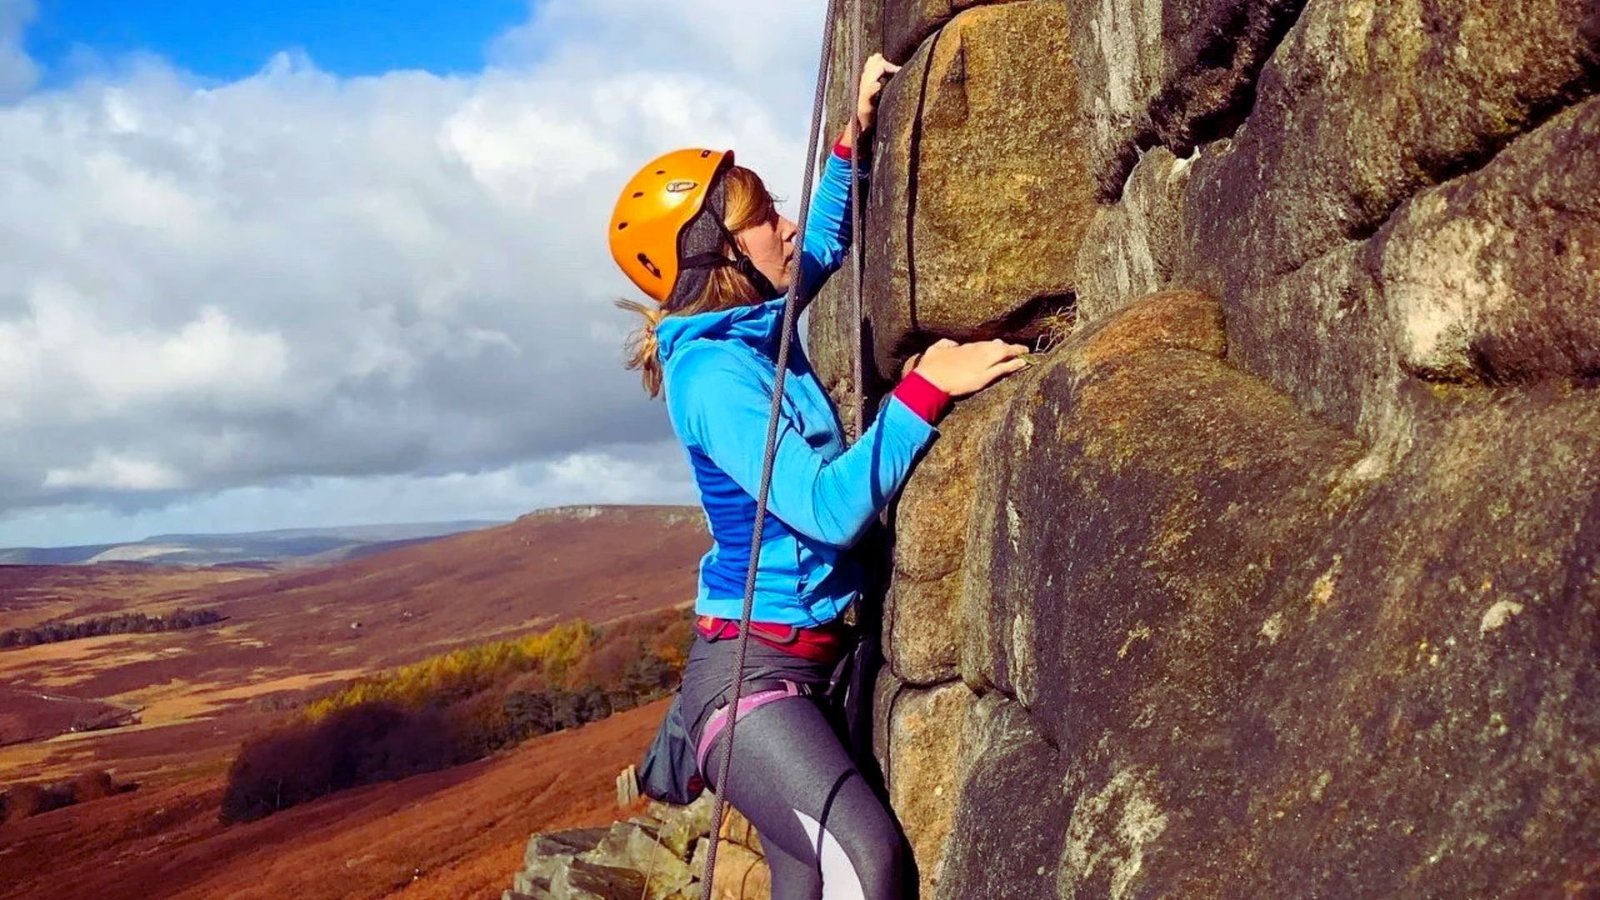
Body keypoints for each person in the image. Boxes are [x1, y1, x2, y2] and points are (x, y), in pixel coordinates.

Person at [608, 53, 1028, 899]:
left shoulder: (753, 322)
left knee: (807, 878)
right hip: (750, 688)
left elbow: (821, 248)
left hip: (799, 669)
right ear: (715, 253)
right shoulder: (716, 381)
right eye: (764, 218)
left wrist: (849, 146)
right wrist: (924, 392)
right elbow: (829, 510)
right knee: (867, 861)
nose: (786, 226)